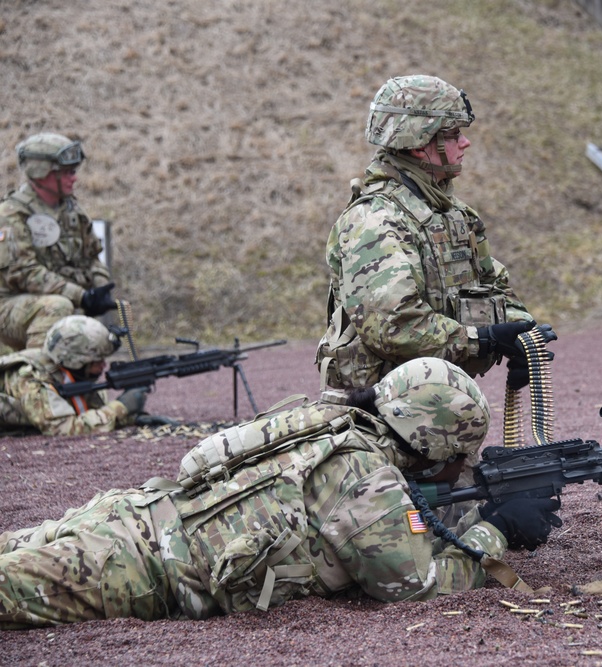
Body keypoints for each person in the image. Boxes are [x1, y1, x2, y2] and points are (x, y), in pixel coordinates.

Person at [0, 357, 563, 629]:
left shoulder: (324, 417)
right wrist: (499, 529)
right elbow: (415, 587)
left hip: (130, 515)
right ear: (429, 444)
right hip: (137, 570)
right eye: (454, 457)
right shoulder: (363, 476)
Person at [316, 74, 556, 402]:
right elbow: (394, 327)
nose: (465, 143)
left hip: (436, 402)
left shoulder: (451, 213)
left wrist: (521, 333)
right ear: (418, 142)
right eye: (454, 134)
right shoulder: (374, 220)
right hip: (375, 414)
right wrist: (484, 341)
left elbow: (491, 284)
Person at [0, 132, 117, 351]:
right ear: (41, 173)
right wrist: (81, 296)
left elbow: (92, 257)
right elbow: (24, 272)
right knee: (57, 307)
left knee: (93, 336)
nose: (74, 178)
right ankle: (35, 378)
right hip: (10, 306)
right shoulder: (11, 214)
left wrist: (100, 288)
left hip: (62, 299)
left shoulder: (72, 211)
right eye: (67, 172)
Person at [0, 315, 149, 436]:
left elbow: (89, 412)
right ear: (76, 360)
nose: (103, 365)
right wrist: (120, 407)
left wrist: (132, 417)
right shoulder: (31, 380)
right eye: (97, 360)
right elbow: (65, 428)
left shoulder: (63, 371)